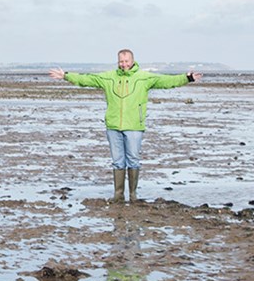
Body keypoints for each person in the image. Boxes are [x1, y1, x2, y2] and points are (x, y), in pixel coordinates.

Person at [48, 50, 201, 201]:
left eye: (127, 61)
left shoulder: (144, 77)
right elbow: (86, 79)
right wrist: (66, 76)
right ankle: (118, 195)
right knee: (117, 161)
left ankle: (133, 195)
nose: (124, 64)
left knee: (133, 159)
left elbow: (167, 81)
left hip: (134, 126)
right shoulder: (108, 77)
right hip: (113, 126)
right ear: (118, 62)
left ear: (132, 61)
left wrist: (187, 78)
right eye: (121, 61)